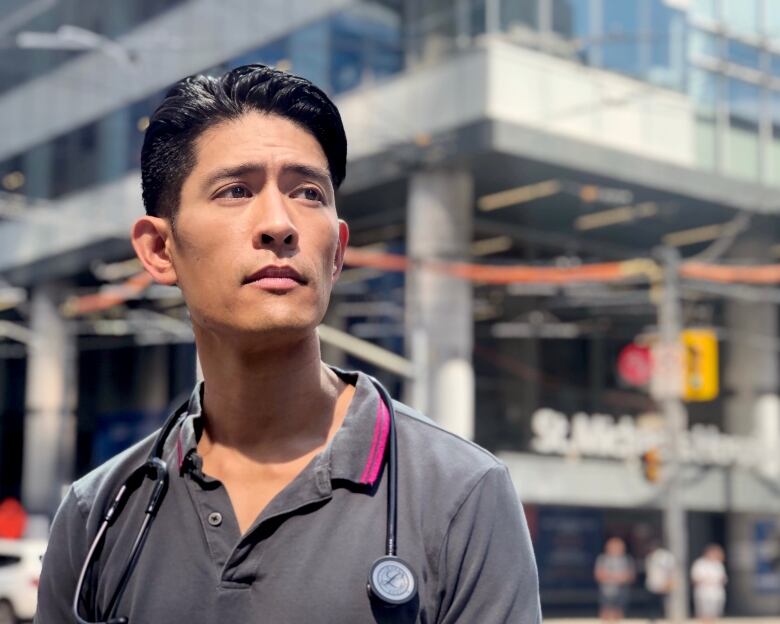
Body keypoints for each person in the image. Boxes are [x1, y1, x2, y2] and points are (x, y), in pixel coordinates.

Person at [34, 64, 541, 623]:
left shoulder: (462, 494)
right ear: (159, 248)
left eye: (307, 192)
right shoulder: (98, 514)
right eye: (235, 190)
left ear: (338, 250)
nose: (279, 223)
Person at [594, 537, 636, 622]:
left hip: (622, 590)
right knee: (606, 611)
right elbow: (598, 575)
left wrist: (612, 576)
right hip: (606, 591)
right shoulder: (602, 559)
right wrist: (617, 576)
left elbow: (631, 576)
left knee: (619, 612)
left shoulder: (627, 559)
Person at [691, 544, 727, 623]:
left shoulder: (718, 564)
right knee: (704, 613)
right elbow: (695, 579)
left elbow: (723, 579)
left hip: (716, 593)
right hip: (703, 592)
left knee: (715, 613)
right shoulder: (699, 563)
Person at [644, 542, 675, 622]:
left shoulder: (666, 557)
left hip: (664, 585)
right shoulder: (650, 557)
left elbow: (671, 571)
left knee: (666, 606)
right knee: (653, 606)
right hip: (653, 586)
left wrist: (669, 583)